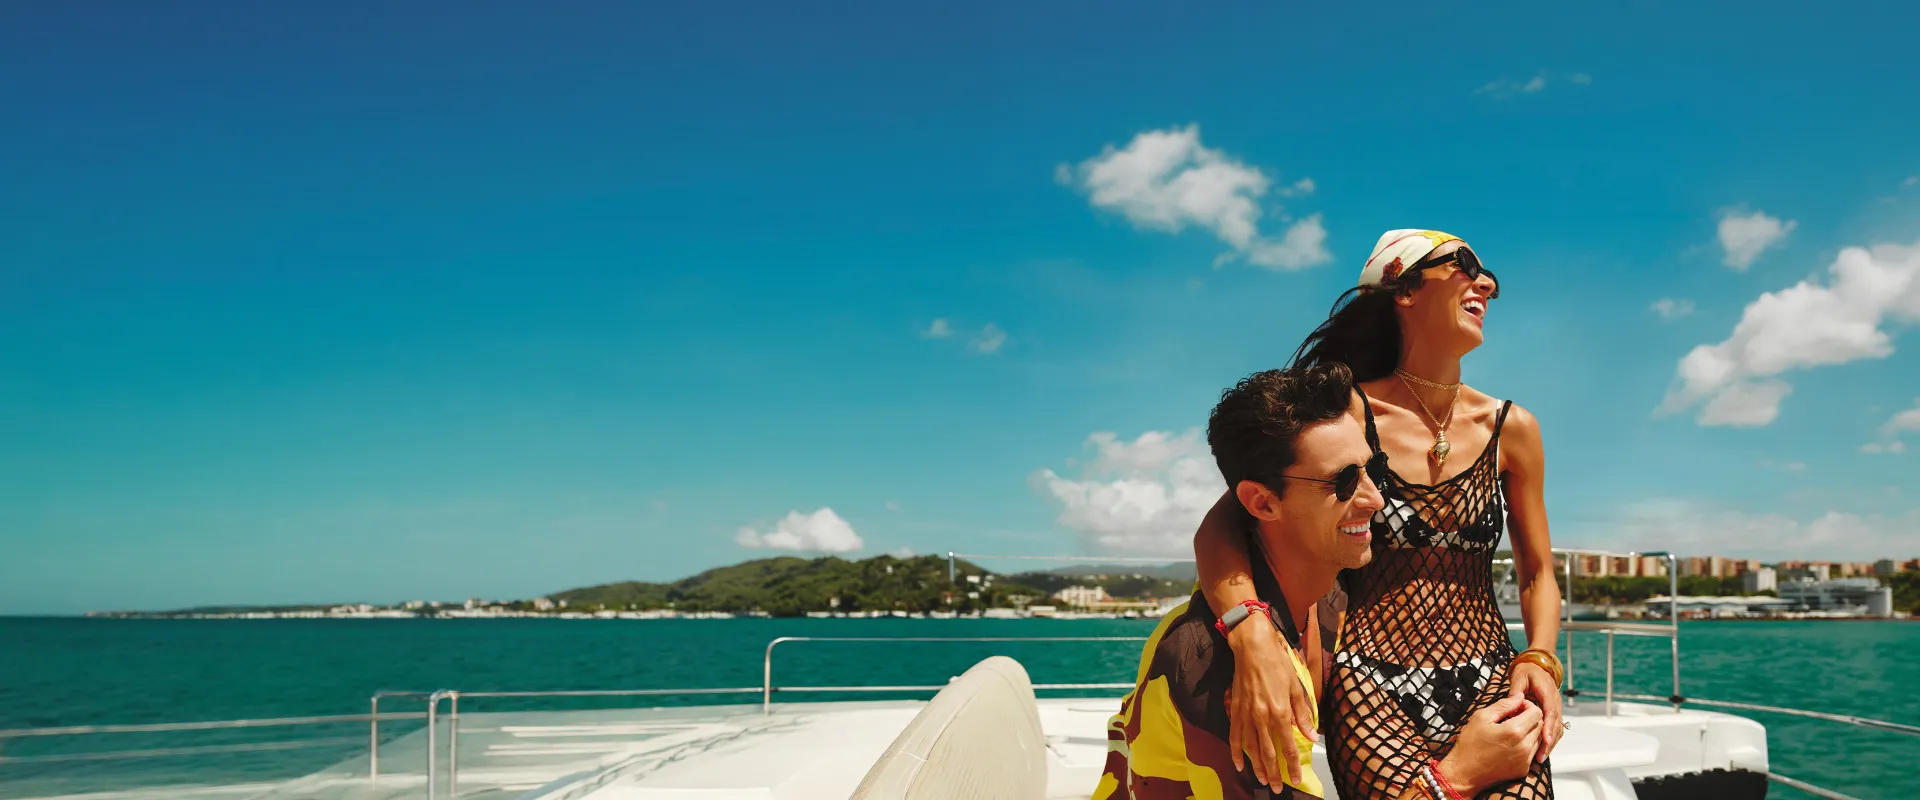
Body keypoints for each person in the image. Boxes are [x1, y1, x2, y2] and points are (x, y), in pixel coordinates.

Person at [1192, 230, 1564, 799]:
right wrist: (1252, 633)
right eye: (1465, 264)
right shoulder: (1346, 410)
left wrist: (1541, 656)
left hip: (1493, 678)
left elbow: (1538, 571)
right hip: (1370, 684)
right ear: (1404, 288)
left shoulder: (1513, 428)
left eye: (1489, 272)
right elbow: (1224, 524)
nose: (1487, 282)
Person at [1095, 364, 1548, 800]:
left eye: (1374, 469)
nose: (1377, 499)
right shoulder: (1223, 675)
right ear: (1262, 503)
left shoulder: (1324, 601)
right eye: (1344, 481)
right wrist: (1457, 778)